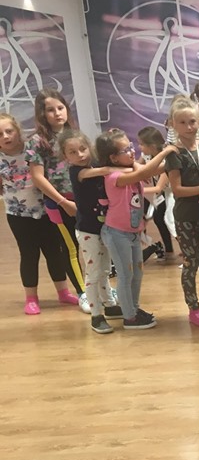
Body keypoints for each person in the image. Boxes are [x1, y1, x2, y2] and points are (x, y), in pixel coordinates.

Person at [94, 129, 176, 330]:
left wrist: (176, 158)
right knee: (125, 275)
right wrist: (166, 152)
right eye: (126, 150)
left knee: (137, 274)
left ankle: (133, 309)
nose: (132, 152)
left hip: (132, 233)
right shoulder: (113, 176)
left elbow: (153, 170)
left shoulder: (131, 167)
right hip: (116, 233)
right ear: (113, 157)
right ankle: (129, 317)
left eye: (131, 147)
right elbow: (145, 173)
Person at [0, 113, 75, 314]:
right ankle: (31, 297)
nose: (5, 136)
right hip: (18, 215)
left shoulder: (32, 149)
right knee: (29, 254)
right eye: (0, 134)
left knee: (54, 251)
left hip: (46, 210)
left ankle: (63, 292)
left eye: (9, 131)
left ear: (17, 130)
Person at [25, 89, 85, 310]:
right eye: (50, 110)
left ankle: (99, 288)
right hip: (59, 204)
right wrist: (63, 202)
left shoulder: (75, 135)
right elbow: (38, 177)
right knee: (70, 249)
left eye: (60, 108)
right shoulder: (37, 141)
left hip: (83, 200)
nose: (57, 113)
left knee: (92, 246)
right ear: (42, 114)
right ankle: (83, 292)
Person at [165, 99, 199, 327]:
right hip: (186, 217)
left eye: (192, 121)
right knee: (191, 263)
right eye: (182, 123)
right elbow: (177, 190)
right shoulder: (173, 153)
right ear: (173, 124)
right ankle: (193, 308)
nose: (188, 127)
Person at [59, 130, 123, 333]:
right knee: (93, 273)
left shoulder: (94, 164)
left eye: (83, 149)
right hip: (88, 232)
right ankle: (96, 315)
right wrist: (114, 167)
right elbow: (97, 172)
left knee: (105, 270)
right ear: (65, 157)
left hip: (104, 228)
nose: (80, 155)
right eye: (73, 152)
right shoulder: (76, 172)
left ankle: (109, 305)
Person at [137, 126, 176, 263]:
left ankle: (189, 253)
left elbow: (159, 187)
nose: (139, 147)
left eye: (142, 144)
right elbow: (137, 169)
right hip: (160, 195)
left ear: (152, 146)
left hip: (172, 193)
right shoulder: (146, 156)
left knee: (170, 221)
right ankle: (169, 250)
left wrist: (136, 190)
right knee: (159, 218)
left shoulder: (166, 160)